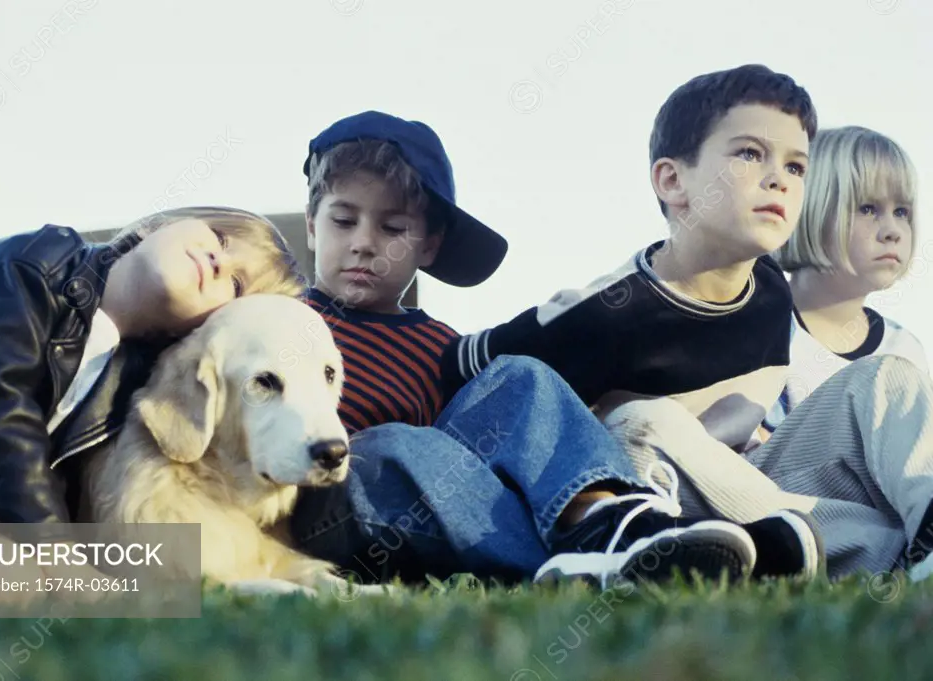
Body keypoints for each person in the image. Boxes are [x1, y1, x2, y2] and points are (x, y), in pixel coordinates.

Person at [441, 63, 933, 582]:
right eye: (749, 153)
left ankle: (909, 537)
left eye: (796, 167)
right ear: (672, 180)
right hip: (663, 498)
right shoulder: (604, 310)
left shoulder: (770, 289)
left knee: (887, 377)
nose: (777, 179)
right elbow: (469, 368)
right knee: (644, 422)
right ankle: (874, 552)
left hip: (752, 483)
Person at [291, 111, 806, 590]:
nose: (363, 242)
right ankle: (627, 551)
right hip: (325, 500)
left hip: (433, 513)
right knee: (391, 445)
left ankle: (617, 528)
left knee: (520, 375)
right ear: (312, 225)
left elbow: (480, 458)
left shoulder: (444, 349)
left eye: (392, 228)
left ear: (428, 246)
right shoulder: (278, 316)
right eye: (343, 220)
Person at [0, 206, 305, 527]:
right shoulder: (38, 263)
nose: (219, 259)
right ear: (159, 226)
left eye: (236, 284)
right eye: (220, 238)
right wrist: (57, 554)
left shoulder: (132, 382)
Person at [761, 125, 927, 434]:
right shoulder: (758, 329)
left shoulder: (903, 350)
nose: (893, 230)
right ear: (811, 210)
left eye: (902, 212)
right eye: (868, 209)